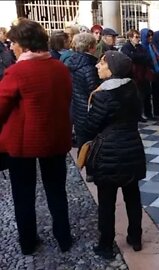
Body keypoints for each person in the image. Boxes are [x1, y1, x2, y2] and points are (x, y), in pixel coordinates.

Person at [0, 18, 73, 255]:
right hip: (55, 139)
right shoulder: (60, 67)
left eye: (14, 42)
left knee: (23, 195)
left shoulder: (17, 71)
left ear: (25, 43)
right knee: (56, 191)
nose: (11, 47)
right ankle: (64, 238)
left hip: (23, 144)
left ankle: (28, 242)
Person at [82, 51, 146, 259]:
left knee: (107, 203)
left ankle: (106, 245)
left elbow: (92, 127)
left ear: (112, 69)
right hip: (132, 149)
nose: (97, 67)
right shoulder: (133, 88)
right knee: (133, 197)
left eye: (102, 64)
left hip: (108, 153)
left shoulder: (102, 94)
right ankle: (135, 238)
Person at [65, 33, 101, 145]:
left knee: (83, 145)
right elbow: (94, 92)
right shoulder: (89, 67)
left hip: (76, 110)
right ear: (91, 47)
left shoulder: (72, 62)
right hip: (88, 113)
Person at [121, 29, 158, 122]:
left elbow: (147, 57)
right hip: (134, 76)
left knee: (147, 95)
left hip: (143, 75)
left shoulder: (141, 47)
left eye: (139, 37)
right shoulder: (126, 47)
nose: (138, 39)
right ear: (130, 38)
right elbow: (130, 57)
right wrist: (138, 57)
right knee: (138, 96)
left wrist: (137, 56)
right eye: (136, 37)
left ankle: (149, 113)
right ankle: (138, 115)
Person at [141, 28, 159, 119]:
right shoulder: (143, 47)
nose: (151, 37)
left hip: (157, 72)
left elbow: (157, 56)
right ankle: (148, 113)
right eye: (148, 35)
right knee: (148, 95)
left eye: (152, 35)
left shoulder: (153, 46)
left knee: (156, 93)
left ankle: (157, 110)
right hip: (148, 74)